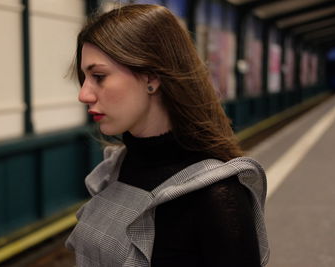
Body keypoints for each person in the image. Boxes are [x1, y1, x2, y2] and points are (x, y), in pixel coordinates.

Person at [66, 4, 269, 267]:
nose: (84, 94)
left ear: (151, 77)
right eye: (84, 78)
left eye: (99, 76)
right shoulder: (114, 169)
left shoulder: (215, 194)